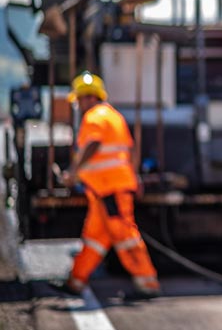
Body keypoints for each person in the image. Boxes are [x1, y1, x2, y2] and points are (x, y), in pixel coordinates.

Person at [51, 71, 161, 299]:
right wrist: (134, 177)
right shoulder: (114, 116)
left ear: (90, 97)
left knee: (125, 236)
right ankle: (76, 282)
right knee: (94, 238)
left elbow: (93, 144)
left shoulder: (94, 117)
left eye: (80, 99)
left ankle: (148, 283)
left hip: (109, 189)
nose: (79, 105)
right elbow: (129, 151)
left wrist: (73, 172)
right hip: (107, 189)